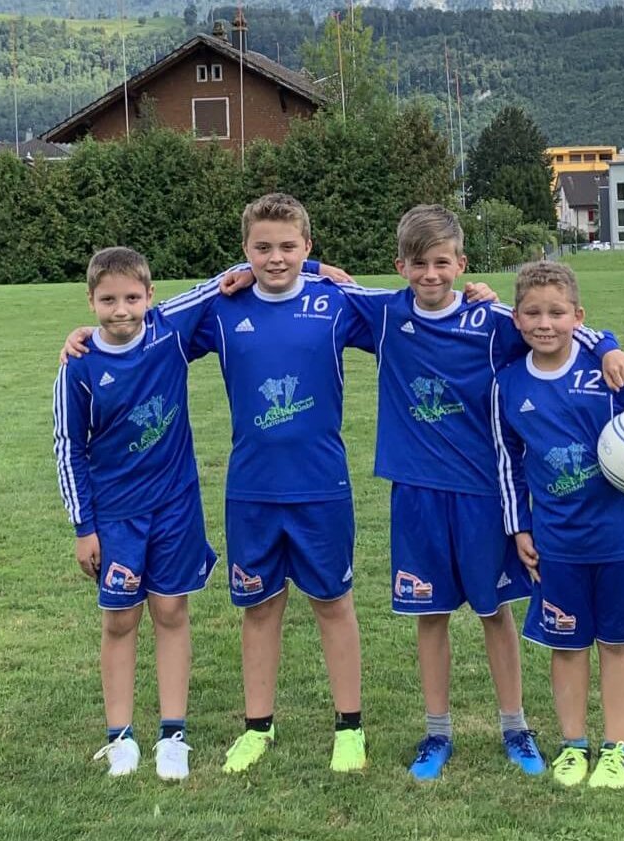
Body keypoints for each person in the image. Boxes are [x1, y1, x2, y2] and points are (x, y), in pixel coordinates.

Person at [269, 205, 624, 781]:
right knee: (431, 615)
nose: (431, 274)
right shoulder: (385, 314)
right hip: (416, 493)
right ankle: (436, 731)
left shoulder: (490, 320)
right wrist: (301, 266)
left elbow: (553, 325)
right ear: (401, 266)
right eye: (418, 264)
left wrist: (607, 344)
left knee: (495, 613)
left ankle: (515, 726)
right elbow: (293, 270)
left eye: (442, 263)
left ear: (461, 263)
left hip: (482, 494)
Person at [62, 195, 390, 774]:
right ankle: (257, 727)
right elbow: (144, 328)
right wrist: (86, 336)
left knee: (334, 604)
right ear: (245, 250)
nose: (276, 257)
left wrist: (477, 300)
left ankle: (349, 727)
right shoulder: (222, 308)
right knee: (258, 607)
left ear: (307, 247)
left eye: (289, 247)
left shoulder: (334, 301)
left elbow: (415, 312)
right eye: (262, 247)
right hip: (250, 490)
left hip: (322, 486)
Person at [493, 260, 624, 789]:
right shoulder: (507, 385)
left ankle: (616, 747)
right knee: (566, 646)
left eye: (557, 312)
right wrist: (519, 526)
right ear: (516, 319)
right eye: (533, 313)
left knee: (617, 643)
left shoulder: (606, 369)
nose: (545, 323)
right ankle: (573, 744)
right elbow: (508, 463)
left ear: (579, 316)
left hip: (622, 539)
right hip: (557, 543)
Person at [52, 247, 218, 781]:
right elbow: (69, 448)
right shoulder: (78, 366)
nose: (120, 309)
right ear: (90, 301)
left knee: (171, 612)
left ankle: (174, 734)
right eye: (108, 300)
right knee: (120, 620)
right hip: (117, 516)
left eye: (131, 297)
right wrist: (84, 527)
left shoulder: (168, 334)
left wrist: (313, 267)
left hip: (175, 507)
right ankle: (120, 737)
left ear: (150, 295)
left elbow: (228, 280)